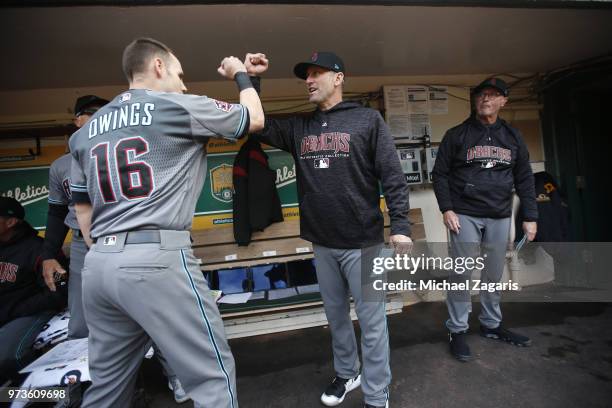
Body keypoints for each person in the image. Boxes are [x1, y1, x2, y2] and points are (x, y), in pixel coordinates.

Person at [69, 37, 264, 408]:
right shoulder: (177, 105)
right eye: (178, 72)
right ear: (158, 66)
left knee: (106, 389)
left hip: (98, 267)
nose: (184, 82)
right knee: (212, 377)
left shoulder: (85, 132)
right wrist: (240, 75)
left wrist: (111, 255)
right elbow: (254, 119)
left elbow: (83, 212)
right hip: (155, 259)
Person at [247, 52, 411, 408]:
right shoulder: (298, 127)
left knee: (372, 325)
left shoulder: (368, 120)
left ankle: (377, 393)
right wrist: (252, 80)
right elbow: (255, 123)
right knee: (336, 318)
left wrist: (400, 225)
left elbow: (392, 176)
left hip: (364, 244)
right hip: (323, 243)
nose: (309, 80)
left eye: (316, 73)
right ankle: (347, 372)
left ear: (338, 78)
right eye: (306, 75)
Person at [431, 77, 538, 362]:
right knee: (462, 273)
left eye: (492, 95)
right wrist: (447, 209)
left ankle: (491, 325)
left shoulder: (512, 137)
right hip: (464, 213)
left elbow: (525, 177)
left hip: (500, 214)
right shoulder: (458, 135)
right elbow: (439, 174)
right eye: (481, 95)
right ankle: (457, 330)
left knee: (492, 273)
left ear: (503, 101)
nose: (485, 99)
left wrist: (530, 215)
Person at [43, 94, 109, 340]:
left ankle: (173, 375)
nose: (100, 119)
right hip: (82, 245)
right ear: (78, 120)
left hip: (122, 237)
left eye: (106, 113)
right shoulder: (60, 166)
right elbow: (57, 211)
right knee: (80, 324)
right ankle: (86, 378)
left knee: (146, 312)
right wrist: (49, 255)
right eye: (93, 113)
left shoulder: (120, 153)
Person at [0, 197, 67, 383]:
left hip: (29, 312)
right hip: (7, 312)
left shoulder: (42, 250)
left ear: (11, 222)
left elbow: (59, 292)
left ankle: (46, 396)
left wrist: (13, 309)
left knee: (7, 356)